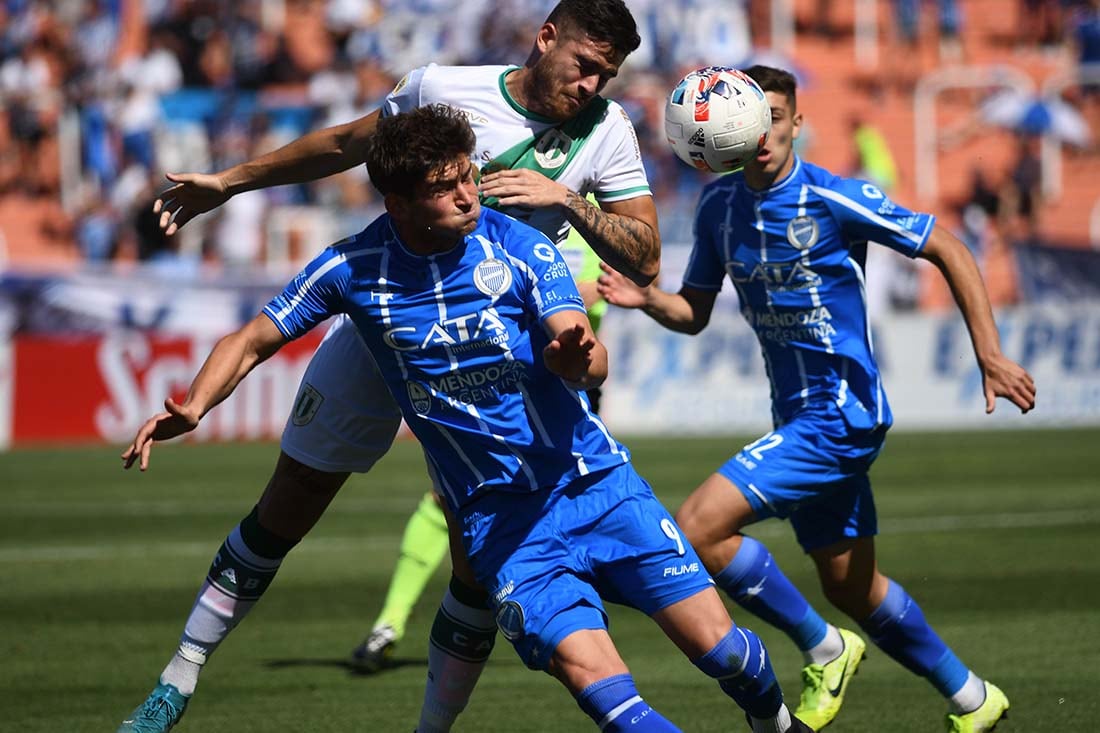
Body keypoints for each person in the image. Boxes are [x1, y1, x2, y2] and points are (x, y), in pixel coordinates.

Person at [121, 104, 812, 733]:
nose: (467, 194)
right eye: (446, 187)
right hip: (502, 527)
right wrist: (195, 403)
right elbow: (250, 339)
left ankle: (775, 720)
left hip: (596, 485)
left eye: (469, 177)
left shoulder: (519, 246)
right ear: (398, 202)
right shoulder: (353, 267)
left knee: (722, 651)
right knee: (602, 688)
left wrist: (577, 356)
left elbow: (586, 351)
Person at [117, 1, 661, 730]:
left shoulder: (607, 132)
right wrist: (232, 181)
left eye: (609, 74)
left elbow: (646, 255)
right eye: (587, 66)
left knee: (478, 551)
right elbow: (347, 143)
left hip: (498, 360)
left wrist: (568, 200)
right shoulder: (440, 89)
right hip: (390, 325)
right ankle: (177, 679)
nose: (594, 85)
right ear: (546, 38)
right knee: (290, 503)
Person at [597, 66, 1036, 733]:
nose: (762, 132)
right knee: (850, 586)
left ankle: (824, 647)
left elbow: (944, 242)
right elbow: (694, 313)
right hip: (796, 416)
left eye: (775, 116)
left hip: (841, 413)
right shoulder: (719, 209)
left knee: (697, 526)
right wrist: (649, 299)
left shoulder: (832, 198)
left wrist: (990, 352)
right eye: (751, 118)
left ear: (796, 123)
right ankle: (972, 696)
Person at [354, 193, 610, 673]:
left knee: (565, 510)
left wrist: (570, 293)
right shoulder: (506, 217)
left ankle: (568, 628)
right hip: (501, 383)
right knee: (445, 499)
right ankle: (391, 622)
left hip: (564, 387)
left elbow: (610, 282)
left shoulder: (587, 213)